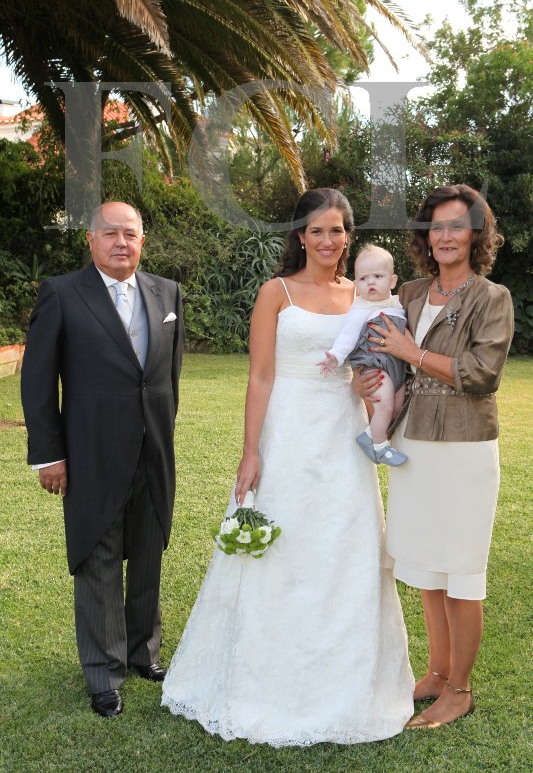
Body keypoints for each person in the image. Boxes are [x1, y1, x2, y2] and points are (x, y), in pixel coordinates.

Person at [161, 188, 414, 745]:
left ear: (348, 236)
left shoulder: (363, 293)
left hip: (342, 434)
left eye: (337, 230)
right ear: (300, 236)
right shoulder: (275, 293)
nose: (327, 240)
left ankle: (346, 687)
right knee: (282, 547)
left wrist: (367, 386)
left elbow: (369, 362)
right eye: (316, 230)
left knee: (344, 547)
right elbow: (260, 376)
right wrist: (251, 451)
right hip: (287, 433)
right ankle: (263, 684)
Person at [353, 184, 513, 729]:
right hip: (413, 444)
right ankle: (438, 674)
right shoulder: (412, 292)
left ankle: (460, 690)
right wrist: (365, 376)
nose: (445, 236)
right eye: (436, 226)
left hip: (465, 451)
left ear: (475, 235)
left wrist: (413, 352)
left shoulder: (492, 298)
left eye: (457, 226)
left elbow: (481, 374)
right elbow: (378, 349)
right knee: (427, 568)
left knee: (460, 572)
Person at [21, 202, 184, 718]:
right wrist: (49, 455)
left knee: (149, 551)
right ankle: (103, 672)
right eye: (109, 233)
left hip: (153, 450)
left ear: (142, 241)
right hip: (90, 452)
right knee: (98, 558)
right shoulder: (62, 294)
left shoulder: (167, 292)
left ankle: (144, 653)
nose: (120, 242)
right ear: (90, 240)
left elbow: (168, 377)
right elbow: (38, 380)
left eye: (129, 234)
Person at [318, 243, 407, 466]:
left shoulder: (397, 305)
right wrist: (335, 356)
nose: (371, 282)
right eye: (364, 278)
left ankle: (368, 435)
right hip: (375, 364)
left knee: (398, 405)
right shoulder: (361, 308)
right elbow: (347, 335)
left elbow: (405, 334)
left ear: (392, 281)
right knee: (385, 405)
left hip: (396, 365)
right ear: (356, 285)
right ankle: (380, 446)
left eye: (378, 276)